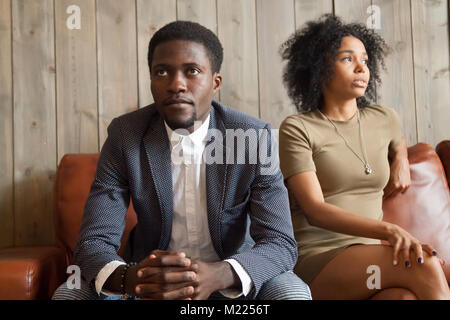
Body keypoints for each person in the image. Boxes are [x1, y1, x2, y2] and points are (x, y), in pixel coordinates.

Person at [52, 20, 311, 300]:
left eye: (192, 71)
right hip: (148, 281)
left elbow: (280, 243)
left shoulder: (253, 137)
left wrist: (221, 274)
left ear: (215, 82)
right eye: (162, 71)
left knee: (292, 292)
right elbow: (93, 242)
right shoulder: (125, 135)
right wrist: (132, 278)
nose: (176, 84)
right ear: (151, 80)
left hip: (231, 279)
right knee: (71, 293)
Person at [278, 14, 449, 300]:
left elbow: (396, 137)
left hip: (371, 261)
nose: (361, 68)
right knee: (424, 263)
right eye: (348, 59)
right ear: (320, 69)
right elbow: (314, 209)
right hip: (321, 261)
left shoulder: (384, 118)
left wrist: (401, 159)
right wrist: (389, 230)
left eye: (366, 60)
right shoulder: (298, 128)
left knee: (402, 299)